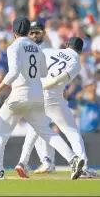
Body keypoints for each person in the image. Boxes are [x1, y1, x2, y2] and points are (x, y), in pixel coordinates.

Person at [0, 17, 85, 180]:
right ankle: (73, 158)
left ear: (13, 31)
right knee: (46, 131)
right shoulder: (37, 48)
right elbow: (43, 72)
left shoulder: (14, 46)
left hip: (19, 95)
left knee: (0, 131)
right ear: (28, 30)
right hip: (37, 96)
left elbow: (14, 72)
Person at [15, 22, 99, 179]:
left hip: (36, 94)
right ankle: (83, 167)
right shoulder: (76, 62)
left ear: (67, 44)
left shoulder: (53, 52)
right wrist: (47, 85)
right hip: (52, 96)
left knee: (35, 129)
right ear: (80, 51)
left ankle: (22, 162)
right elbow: (61, 78)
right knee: (72, 132)